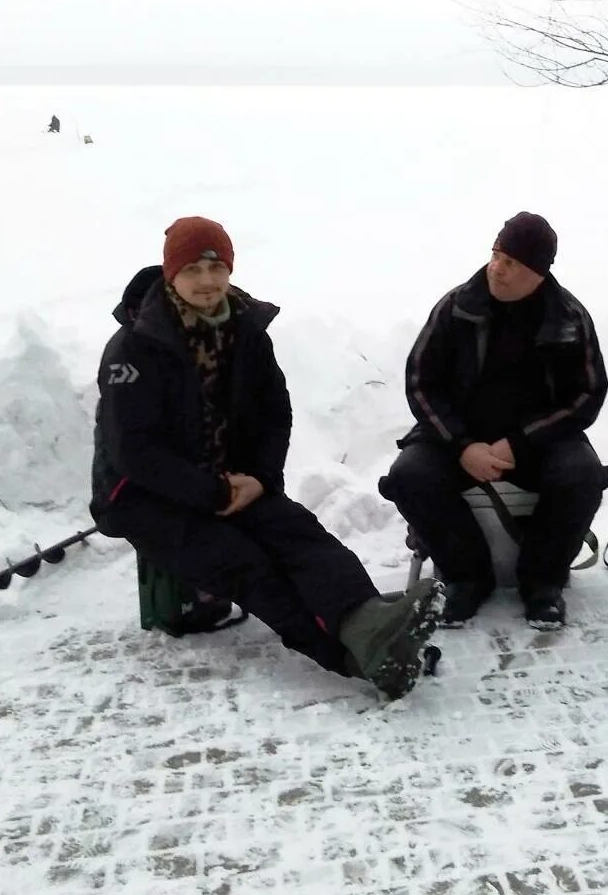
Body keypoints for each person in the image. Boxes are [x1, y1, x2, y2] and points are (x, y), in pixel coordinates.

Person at [90, 216, 442, 699]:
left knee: (298, 533)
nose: (208, 282)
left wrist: (259, 478)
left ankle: (371, 621)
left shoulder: (245, 329)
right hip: (146, 495)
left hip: (233, 479)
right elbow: (134, 450)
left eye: (217, 269)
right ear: (172, 275)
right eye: (194, 270)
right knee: (245, 562)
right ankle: (356, 656)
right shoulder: (135, 345)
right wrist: (212, 493)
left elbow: (274, 411)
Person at [381, 212, 608, 630]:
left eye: (513, 264)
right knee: (409, 476)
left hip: (537, 442)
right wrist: (462, 446)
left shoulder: (568, 317)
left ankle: (543, 583)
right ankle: (466, 577)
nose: (498, 270)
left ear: (538, 274)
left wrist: (520, 443)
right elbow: (420, 383)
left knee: (582, 475)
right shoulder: (456, 308)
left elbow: (588, 395)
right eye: (497, 256)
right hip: (459, 437)